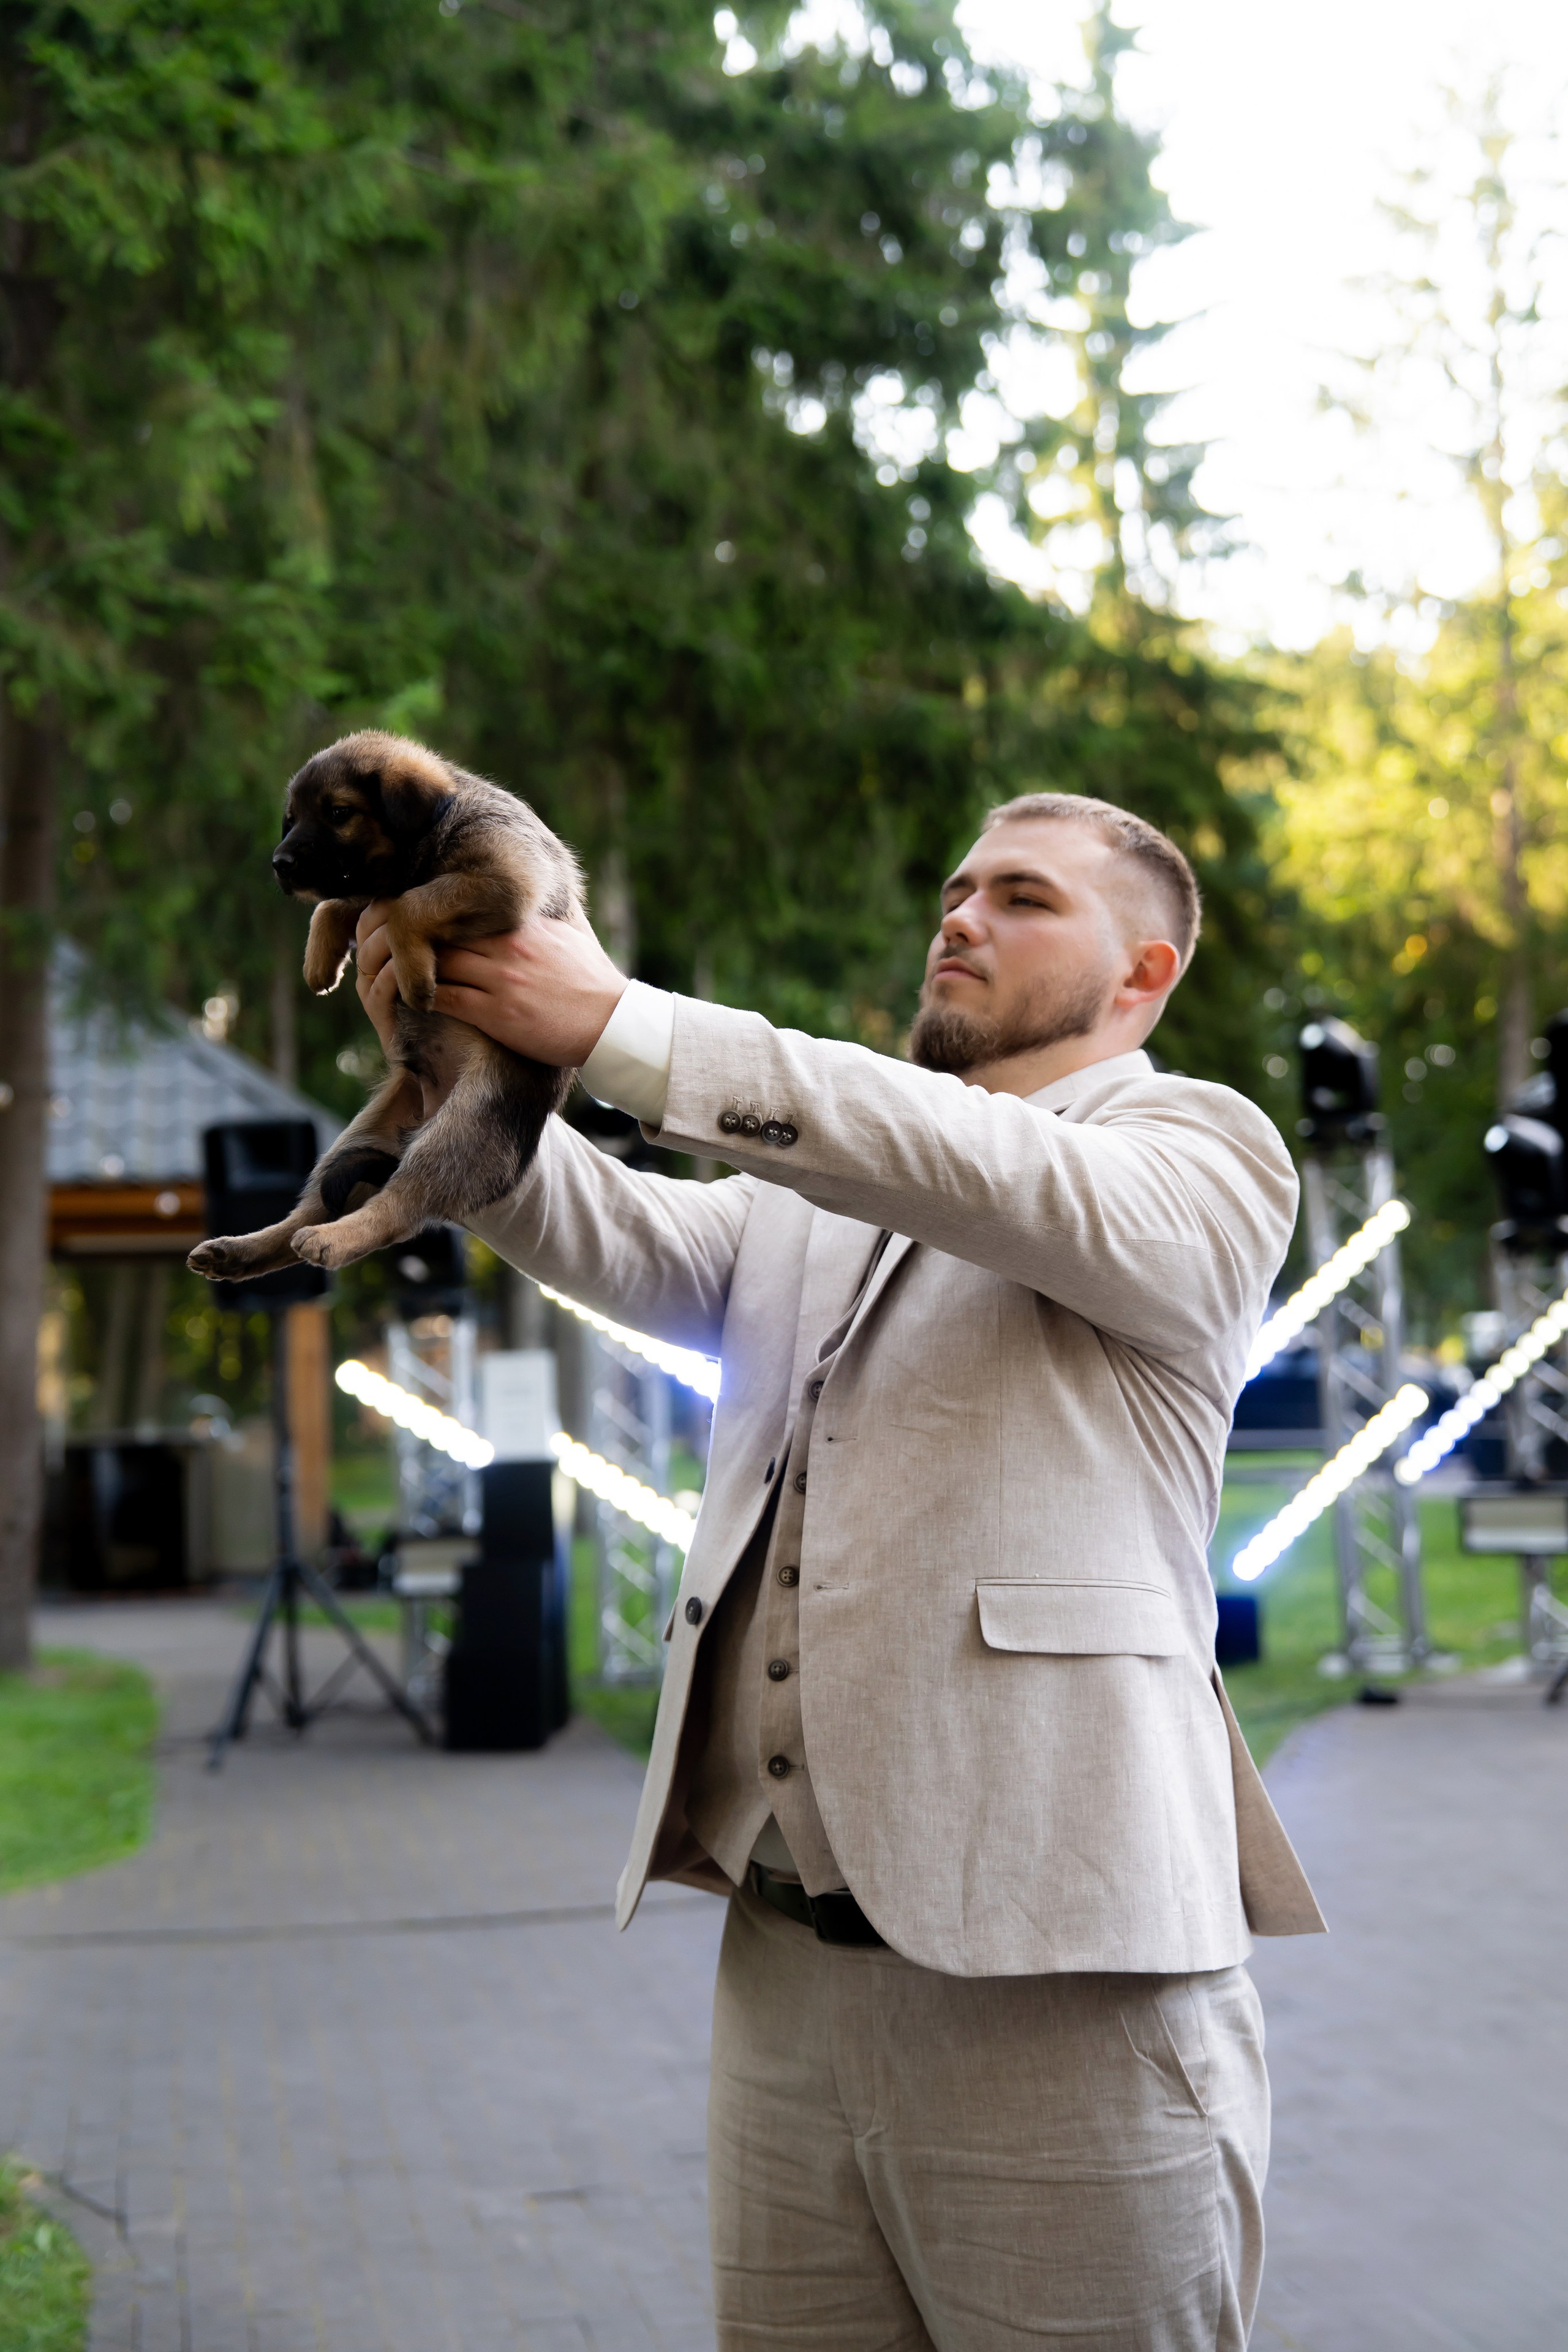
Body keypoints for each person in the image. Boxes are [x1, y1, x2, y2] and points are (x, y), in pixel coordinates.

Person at [353, 790, 1325, 2352]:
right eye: (954, 888)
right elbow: (610, 1230)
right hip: (783, 1982)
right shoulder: (814, 1198)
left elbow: (990, 1176)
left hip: (1062, 1984)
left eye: (1021, 897)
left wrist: (618, 1016)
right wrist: (452, 1041)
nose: (959, 915)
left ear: (1139, 975)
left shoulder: (1197, 1152)